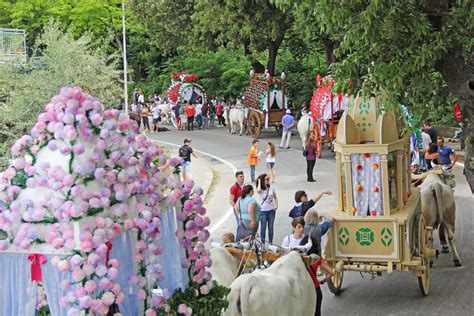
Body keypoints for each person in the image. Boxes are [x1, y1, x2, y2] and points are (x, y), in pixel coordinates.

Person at [256, 174, 278, 244]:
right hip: (262, 211)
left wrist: (276, 205)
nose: (268, 180)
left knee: (271, 227)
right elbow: (258, 190)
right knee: (263, 227)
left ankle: (270, 243)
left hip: (271, 210)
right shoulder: (260, 189)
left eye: (268, 179)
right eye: (266, 179)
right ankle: (263, 243)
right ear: (263, 181)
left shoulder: (271, 188)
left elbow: (275, 197)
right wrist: (259, 180)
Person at [229, 171, 245, 239]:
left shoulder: (244, 186)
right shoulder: (234, 187)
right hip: (238, 210)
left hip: (244, 209)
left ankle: (243, 241)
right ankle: (237, 241)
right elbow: (231, 200)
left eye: (243, 176)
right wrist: (237, 208)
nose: (242, 178)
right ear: (236, 177)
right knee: (240, 225)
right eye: (240, 177)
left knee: (244, 226)